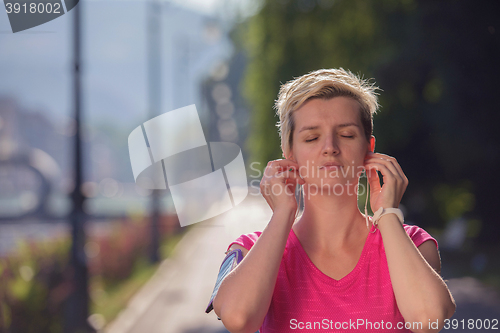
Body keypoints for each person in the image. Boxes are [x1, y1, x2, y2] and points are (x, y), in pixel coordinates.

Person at [208, 68, 456, 333]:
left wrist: (388, 214)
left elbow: (428, 319)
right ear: (290, 155)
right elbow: (238, 319)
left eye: (347, 134)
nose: (329, 147)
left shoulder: (414, 244)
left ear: (368, 149)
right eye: (312, 137)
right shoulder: (250, 250)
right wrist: (283, 213)